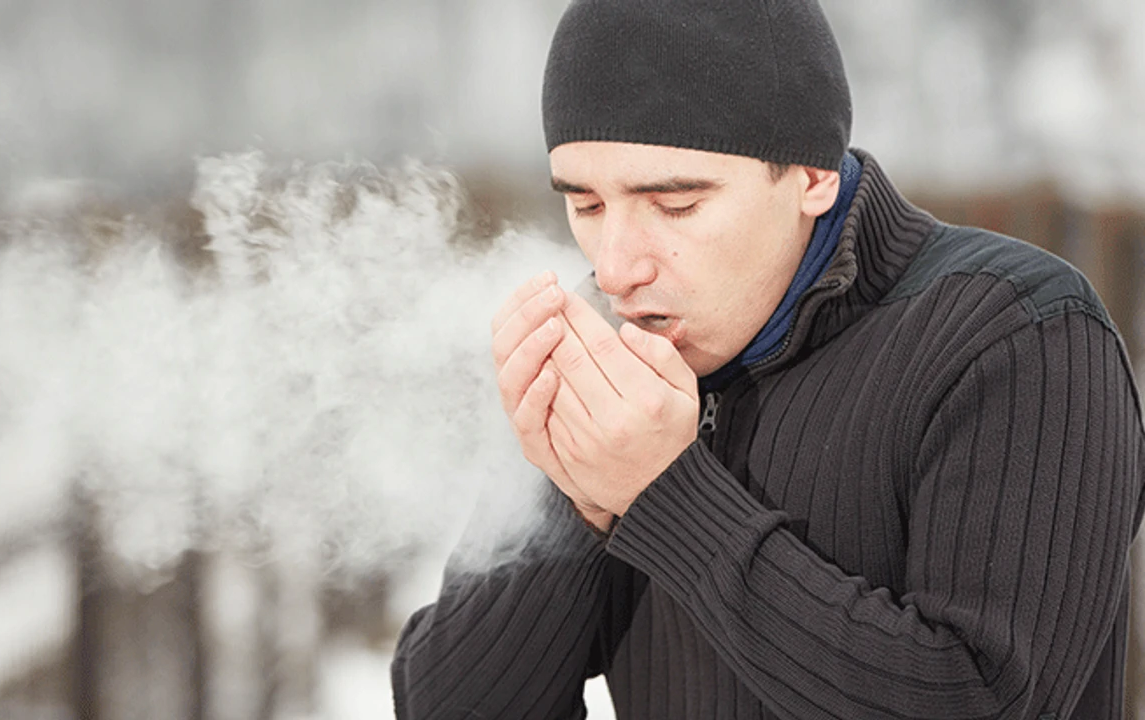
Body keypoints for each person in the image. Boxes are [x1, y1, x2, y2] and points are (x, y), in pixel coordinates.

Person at [391, 0, 1145, 717]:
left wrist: (664, 494)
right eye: (586, 205)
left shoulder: (1017, 335)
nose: (615, 268)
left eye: (676, 204)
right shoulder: (612, 361)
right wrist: (577, 498)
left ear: (813, 176)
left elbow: (979, 700)